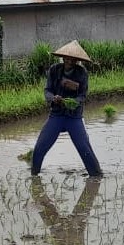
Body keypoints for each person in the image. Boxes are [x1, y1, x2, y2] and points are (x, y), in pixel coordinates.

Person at [31, 40, 103, 177]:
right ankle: (34, 175)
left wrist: (72, 102)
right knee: (40, 146)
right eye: (67, 58)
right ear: (63, 58)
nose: (69, 61)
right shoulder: (54, 70)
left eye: (73, 59)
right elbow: (47, 91)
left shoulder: (82, 73)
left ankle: (96, 176)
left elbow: (82, 96)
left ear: (77, 60)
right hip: (57, 115)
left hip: (73, 116)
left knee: (84, 148)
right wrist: (53, 98)